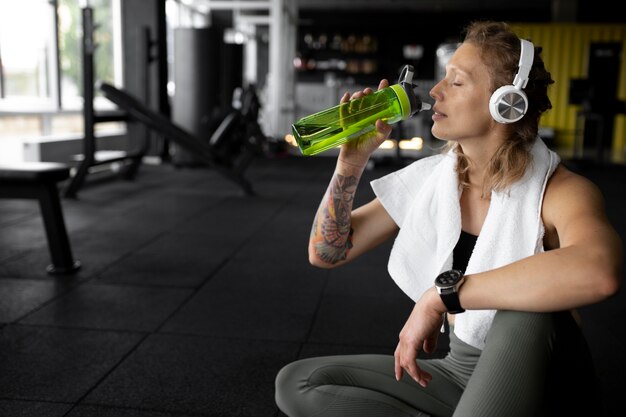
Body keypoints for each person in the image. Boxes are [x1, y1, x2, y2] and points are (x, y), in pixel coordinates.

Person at [274, 21, 624, 417]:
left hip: (540, 376)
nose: (435, 91)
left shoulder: (560, 191)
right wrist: (351, 162)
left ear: (506, 103)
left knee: (524, 306)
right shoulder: (435, 180)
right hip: (460, 369)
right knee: (299, 383)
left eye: (456, 83)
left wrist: (440, 296)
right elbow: (327, 252)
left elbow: (600, 271)